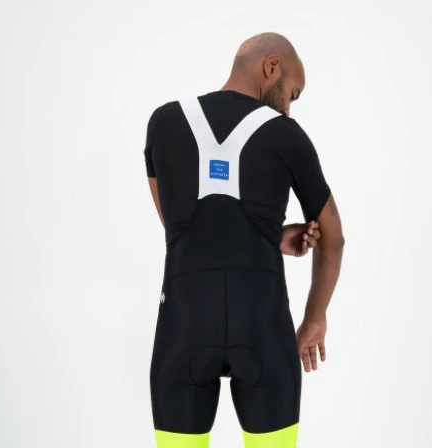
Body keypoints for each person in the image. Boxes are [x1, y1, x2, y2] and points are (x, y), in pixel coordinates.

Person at [143, 32, 344, 448]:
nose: (288, 109)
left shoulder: (163, 122)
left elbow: (177, 228)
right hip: (264, 328)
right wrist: (314, 318)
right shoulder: (288, 135)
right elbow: (334, 237)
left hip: (183, 328)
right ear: (271, 67)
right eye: (292, 93)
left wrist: (265, 237)